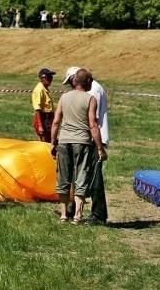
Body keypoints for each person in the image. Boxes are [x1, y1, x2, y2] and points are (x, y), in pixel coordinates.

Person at [50, 68, 106, 224]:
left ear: (74, 81)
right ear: (87, 81)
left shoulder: (64, 97)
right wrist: (100, 148)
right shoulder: (90, 99)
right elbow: (93, 125)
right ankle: (77, 215)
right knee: (81, 176)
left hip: (64, 141)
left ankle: (63, 214)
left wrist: (53, 142)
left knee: (63, 177)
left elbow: (55, 122)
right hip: (82, 142)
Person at [32, 68, 56, 142]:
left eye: (51, 77)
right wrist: (40, 126)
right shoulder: (39, 90)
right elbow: (37, 109)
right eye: (49, 77)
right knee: (44, 143)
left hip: (48, 118)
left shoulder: (44, 89)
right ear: (43, 78)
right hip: (43, 118)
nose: (51, 79)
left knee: (49, 142)